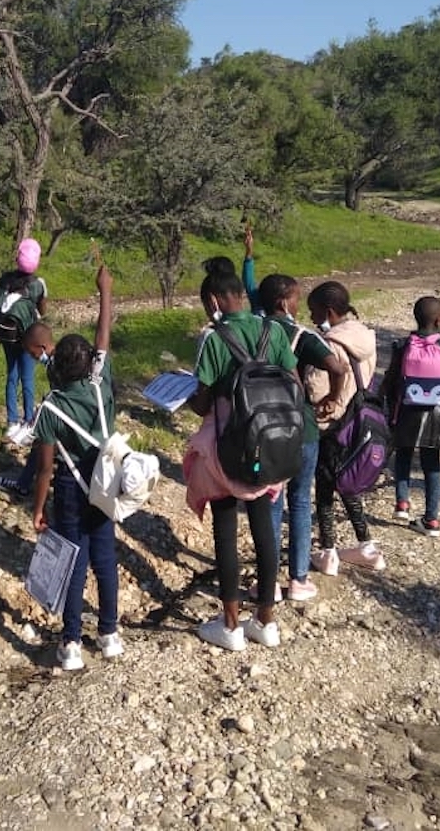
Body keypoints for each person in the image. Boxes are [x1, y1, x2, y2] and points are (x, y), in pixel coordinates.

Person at [184, 258, 298, 652]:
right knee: (265, 526)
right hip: (271, 444)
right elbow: (293, 383)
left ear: (214, 300)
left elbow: (202, 403)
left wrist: (185, 393)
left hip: (228, 447)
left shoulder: (213, 338)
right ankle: (265, 620)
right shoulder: (273, 331)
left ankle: (230, 625)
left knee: (226, 529)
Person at [31, 265, 121, 671]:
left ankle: (70, 644)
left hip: (70, 489)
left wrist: (38, 508)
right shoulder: (100, 385)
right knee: (105, 560)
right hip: (105, 484)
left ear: (56, 367)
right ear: (88, 365)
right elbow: (103, 335)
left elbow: (45, 470)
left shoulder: (49, 408)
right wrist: (104, 291)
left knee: (74, 565)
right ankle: (109, 634)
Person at [256, 273, 347, 601]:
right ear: (284, 302)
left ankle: (267, 582)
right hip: (301, 428)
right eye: (296, 298)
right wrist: (331, 399)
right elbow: (338, 368)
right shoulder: (300, 335)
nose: (299, 304)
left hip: (262, 429)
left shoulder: (252, 330)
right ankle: (298, 579)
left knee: (270, 499)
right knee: (299, 499)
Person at [305, 280, 385, 574]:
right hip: (359, 421)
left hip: (332, 425)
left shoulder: (328, 345)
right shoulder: (365, 337)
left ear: (328, 312)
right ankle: (367, 546)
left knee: (325, 489)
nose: (312, 319)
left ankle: (328, 552)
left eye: (313, 313)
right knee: (348, 484)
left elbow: (315, 390)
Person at [381, 296, 440, 537]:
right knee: (431, 465)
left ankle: (402, 503)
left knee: (403, 455)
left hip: (406, 410)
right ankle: (432, 520)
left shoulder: (402, 345)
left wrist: (383, 404)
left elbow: (390, 378)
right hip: (437, 415)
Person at [0, 321, 57, 499]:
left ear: (42, 347)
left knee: (41, 443)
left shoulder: (56, 366)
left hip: (66, 420)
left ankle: (26, 486)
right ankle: (26, 482)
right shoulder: (59, 357)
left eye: (32, 352)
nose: (32, 356)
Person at [0, 238, 47, 437]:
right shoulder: (38, 284)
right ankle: (28, 422)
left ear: (18, 258)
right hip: (28, 336)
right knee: (27, 378)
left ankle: (11, 422)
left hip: (8, 334)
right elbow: (43, 310)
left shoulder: (5, 279)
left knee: (12, 376)